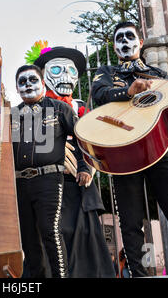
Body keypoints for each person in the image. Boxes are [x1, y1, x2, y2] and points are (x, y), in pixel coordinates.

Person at [91, 21, 168, 277]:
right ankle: (139, 274)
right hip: (123, 152)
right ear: (114, 47)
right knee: (131, 220)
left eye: (130, 37)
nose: (125, 41)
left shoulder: (158, 75)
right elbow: (98, 95)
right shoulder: (105, 73)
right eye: (120, 38)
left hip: (158, 150)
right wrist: (128, 91)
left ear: (141, 42)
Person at [0, 64, 80, 278]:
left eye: (33, 80)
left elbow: (82, 137)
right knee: (28, 238)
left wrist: (84, 168)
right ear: (17, 89)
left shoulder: (59, 108)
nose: (28, 85)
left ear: (43, 83)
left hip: (49, 179)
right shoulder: (11, 114)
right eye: (22, 82)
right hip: (19, 184)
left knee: (50, 230)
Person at [28, 42, 116, 278]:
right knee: (53, 241)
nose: (66, 76)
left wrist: (85, 165)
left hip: (80, 187)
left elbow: (92, 143)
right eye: (57, 70)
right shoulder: (34, 109)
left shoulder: (81, 108)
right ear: (43, 76)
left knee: (87, 242)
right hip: (50, 186)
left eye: (71, 71)